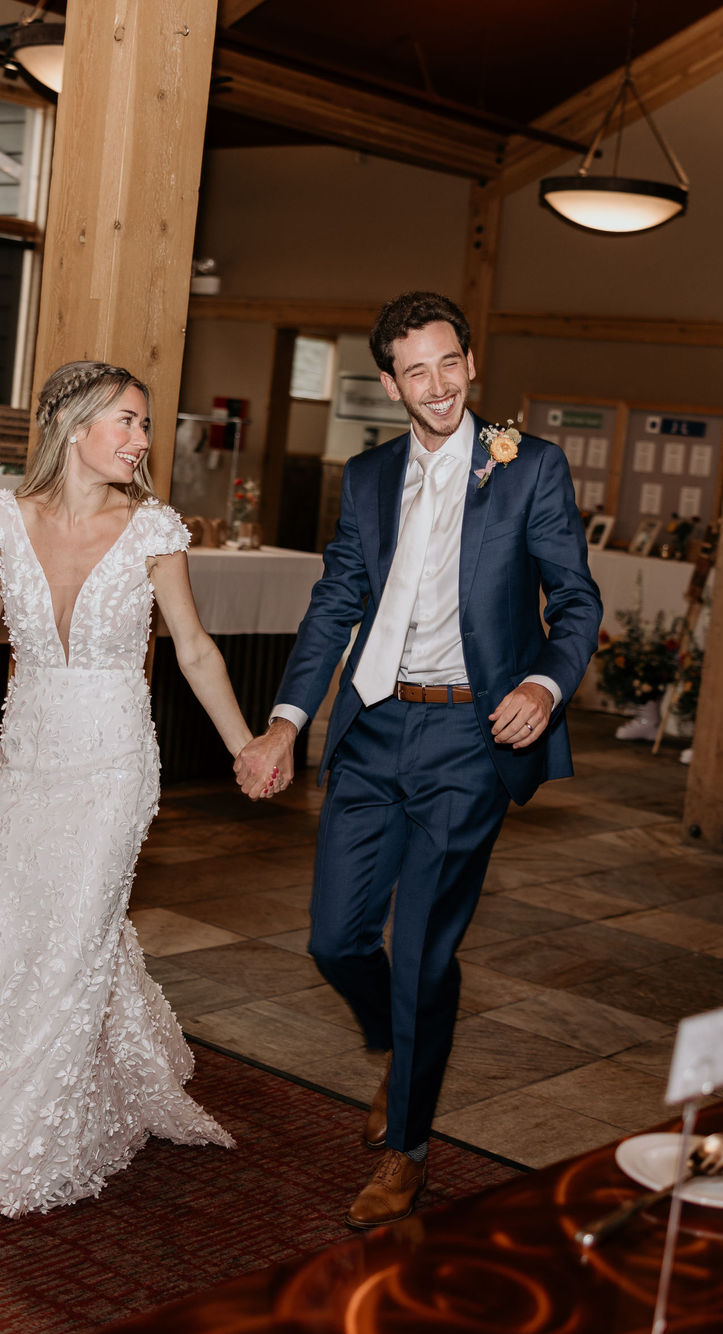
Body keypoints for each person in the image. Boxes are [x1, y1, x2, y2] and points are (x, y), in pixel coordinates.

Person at [232, 291, 602, 1229]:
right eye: (414, 371)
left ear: (470, 362)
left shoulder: (531, 469)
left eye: (448, 363)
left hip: (471, 741)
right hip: (371, 729)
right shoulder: (367, 478)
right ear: (390, 381)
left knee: (422, 953)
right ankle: (401, 1046)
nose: (435, 386)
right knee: (334, 939)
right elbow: (335, 602)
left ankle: (407, 1151)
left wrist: (544, 686)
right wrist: (284, 721)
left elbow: (577, 601)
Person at [0, 360, 261, 1217]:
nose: (143, 440)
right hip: (25, 757)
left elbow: (193, 651)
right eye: (129, 422)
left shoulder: (153, 530)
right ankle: (110, 1072)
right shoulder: (2, 519)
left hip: (112, 761)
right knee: (8, 941)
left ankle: (22, 1145)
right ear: (76, 428)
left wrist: (245, 746)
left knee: (73, 938)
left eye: (144, 425)